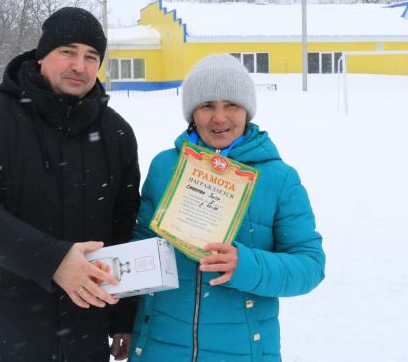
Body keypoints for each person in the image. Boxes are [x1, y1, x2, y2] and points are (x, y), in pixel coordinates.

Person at [0, 7, 141, 362]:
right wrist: (53, 260)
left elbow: (123, 229)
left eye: (91, 56)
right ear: (41, 56)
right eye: (67, 52)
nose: (79, 66)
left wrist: (123, 318)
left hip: (83, 333)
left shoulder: (117, 134)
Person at [129, 53, 325, 361]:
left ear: (246, 110)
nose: (219, 118)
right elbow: (141, 246)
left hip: (242, 351)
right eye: (207, 105)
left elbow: (310, 266)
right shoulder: (166, 167)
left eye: (231, 105)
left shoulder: (279, 178)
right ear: (192, 113)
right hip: (161, 346)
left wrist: (244, 265)